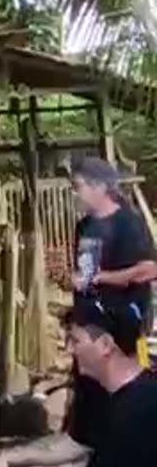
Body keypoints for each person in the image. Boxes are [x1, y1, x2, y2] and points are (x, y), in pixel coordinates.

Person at [59, 157, 157, 451]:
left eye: (78, 187)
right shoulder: (84, 226)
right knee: (86, 378)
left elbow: (149, 269)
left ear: (100, 186)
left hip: (124, 316)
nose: (74, 193)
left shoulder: (130, 222)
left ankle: (128, 439)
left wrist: (102, 277)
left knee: (121, 379)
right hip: (90, 315)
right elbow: (86, 271)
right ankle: (88, 439)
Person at [0, 300, 157, 467]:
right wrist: (9, 458)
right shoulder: (101, 393)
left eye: (75, 341)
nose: (68, 349)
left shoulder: (137, 415)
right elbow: (81, 443)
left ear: (105, 345)